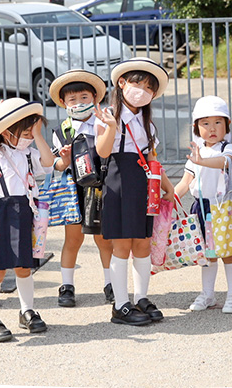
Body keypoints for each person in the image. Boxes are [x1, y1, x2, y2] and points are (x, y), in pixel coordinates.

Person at [94, 57, 177, 326]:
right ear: (122, 82)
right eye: (138, 83)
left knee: (142, 242)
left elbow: (152, 157)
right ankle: (120, 305)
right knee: (122, 244)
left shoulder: (148, 122)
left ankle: (141, 297)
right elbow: (103, 152)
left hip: (145, 184)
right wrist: (111, 128)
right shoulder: (108, 116)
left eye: (149, 88)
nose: (143, 91)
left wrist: (166, 185)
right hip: (118, 180)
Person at [0, 97, 54, 342]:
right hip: (1, 214)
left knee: (24, 267)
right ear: (7, 132)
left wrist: (38, 135)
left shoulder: (29, 153)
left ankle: (27, 310)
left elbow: (49, 163)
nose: (30, 136)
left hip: (24, 212)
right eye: (26, 131)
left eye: (33, 131)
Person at [47, 69, 116, 307]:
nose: (79, 103)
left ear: (95, 98)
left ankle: (111, 283)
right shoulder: (61, 131)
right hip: (73, 191)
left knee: (104, 239)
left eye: (84, 97)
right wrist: (64, 159)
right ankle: (67, 286)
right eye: (72, 100)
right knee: (73, 239)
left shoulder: (105, 123)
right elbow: (56, 165)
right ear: (64, 103)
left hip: (100, 187)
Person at [172, 96, 232, 314]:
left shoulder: (230, 148)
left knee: (228, 252)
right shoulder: (197, 152)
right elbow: (185, 182)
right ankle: (208, 294)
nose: (212, 128)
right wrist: (168, 198)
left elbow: (226, 162)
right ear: (196, 127)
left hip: (224, 208)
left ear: (227, 125)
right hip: (201, 209)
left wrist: (201, 161)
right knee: (207, 255)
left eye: (218, 122)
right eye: (205, 123)